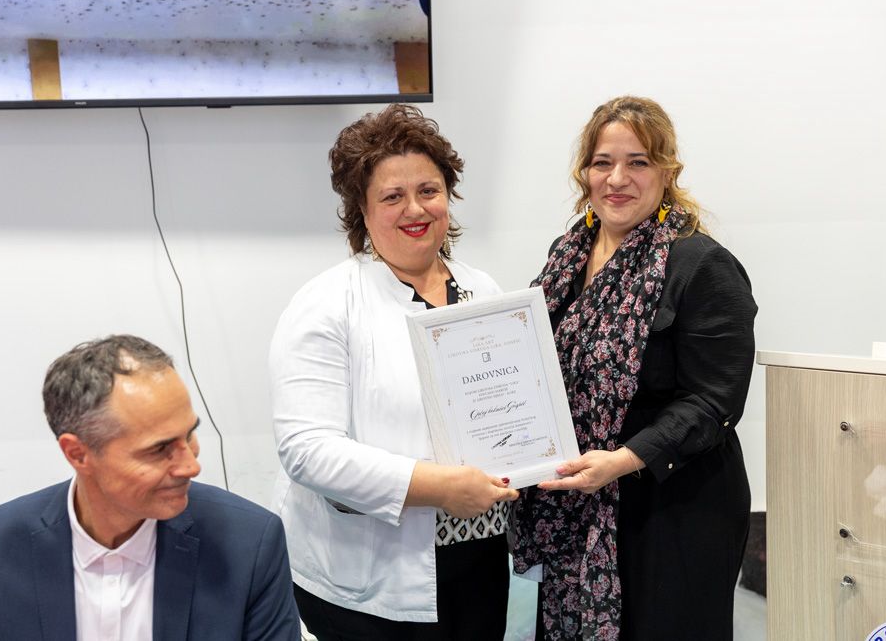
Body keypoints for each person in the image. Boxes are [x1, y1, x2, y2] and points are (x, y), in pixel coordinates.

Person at [270, 103, 519, 640]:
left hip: (478, 558)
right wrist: (437, 486)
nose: (415, 209)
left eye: (429, 191)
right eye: (392, 196)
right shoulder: (326, 304)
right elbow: (306, 449)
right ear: (361, 210)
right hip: (371, 581)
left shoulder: (486, 292)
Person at [513, 96, 757, 640]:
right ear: (585, 173)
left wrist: (623, 461)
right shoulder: (567, 254)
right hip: (581, 499)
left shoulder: (701, 264)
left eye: (638, 162)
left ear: (667, 173)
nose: (617, 178)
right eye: (602, 162)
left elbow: (714, 401)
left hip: (673, 505)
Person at [0, 335, 300, 641]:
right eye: (159, 449)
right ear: (78, 454)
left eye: (189, 434)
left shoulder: (249, 544)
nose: (191, 465)